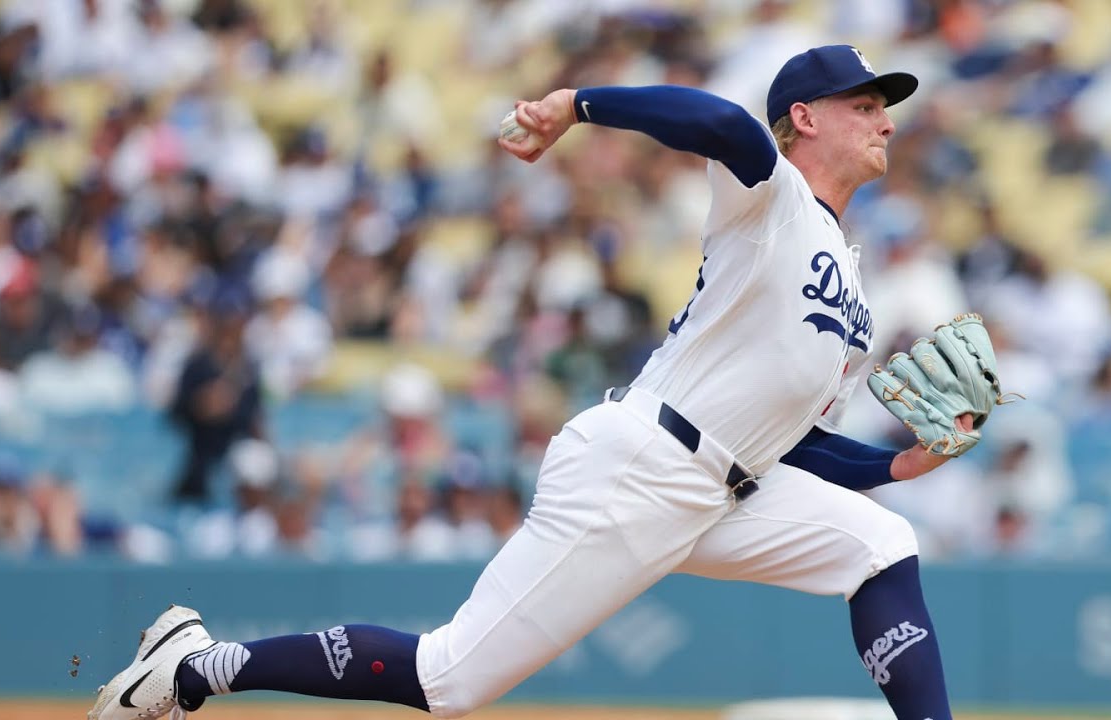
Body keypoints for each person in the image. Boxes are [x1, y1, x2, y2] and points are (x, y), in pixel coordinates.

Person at [90, 45, 970, 720]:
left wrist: (896, 467)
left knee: (879, 545)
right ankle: (193, 667)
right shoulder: (769, 199)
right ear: (806, 118)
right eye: (865, 105)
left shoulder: (850, 283)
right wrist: (577, 105)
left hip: (730, 486)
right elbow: (720, 123)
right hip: (644, 466)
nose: (885, 121)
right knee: (448, 680)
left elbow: (795, 441)